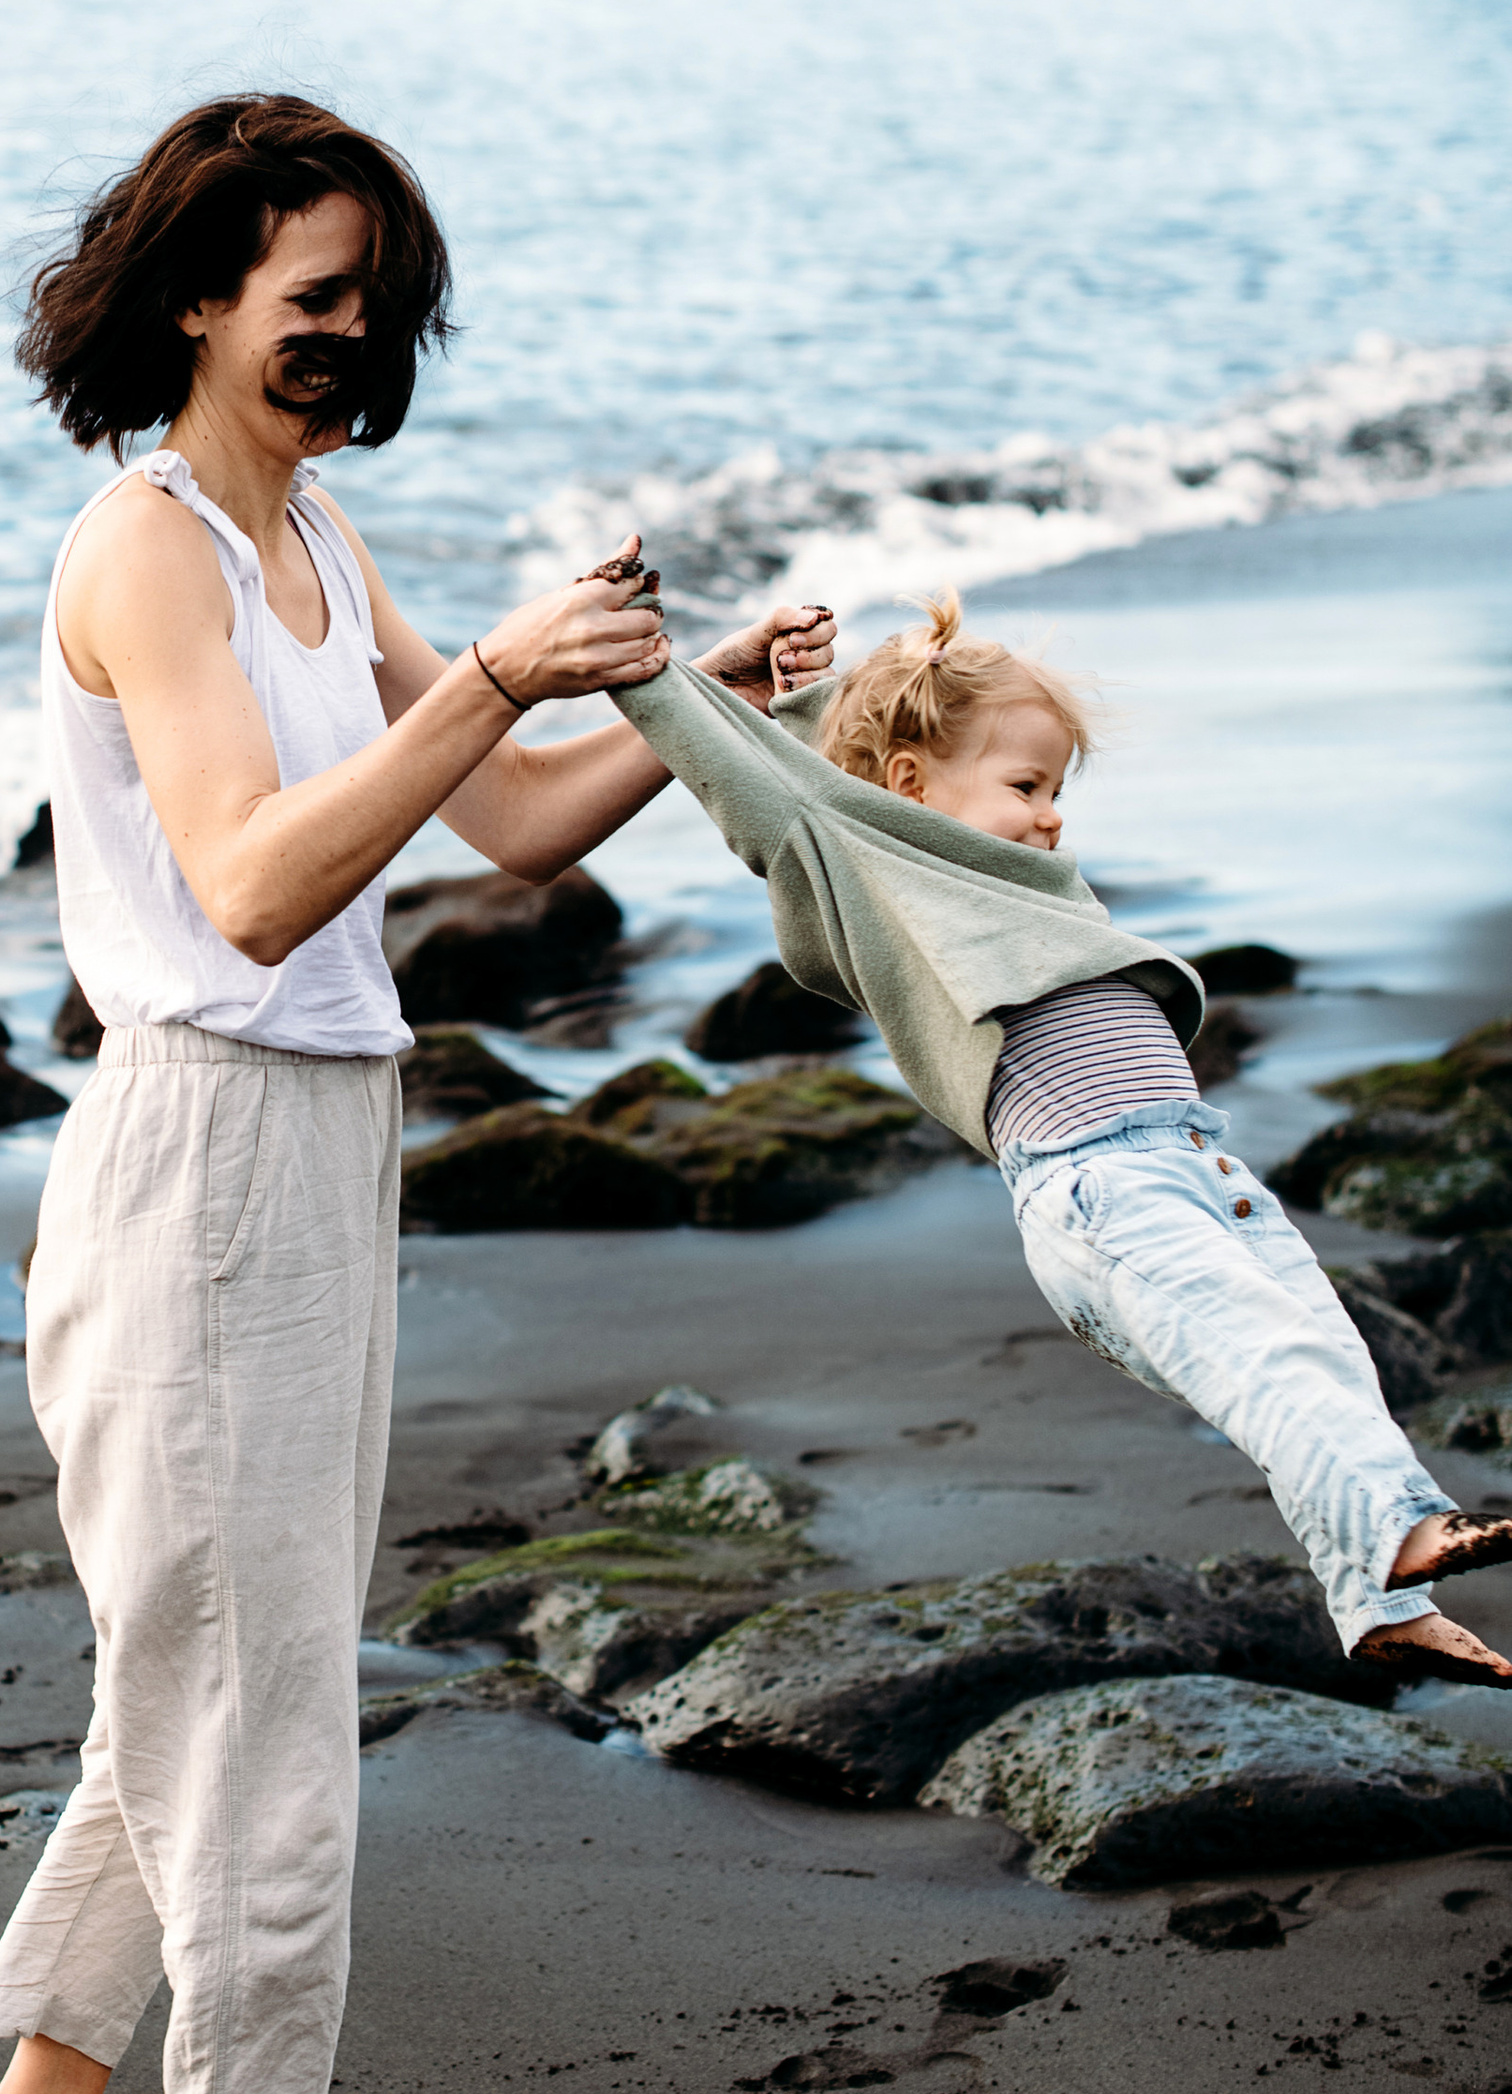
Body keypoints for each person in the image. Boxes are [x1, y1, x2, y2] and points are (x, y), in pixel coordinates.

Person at [0, 95, 834, 2094]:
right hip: (194, 1163)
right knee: (258, 1712)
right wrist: (492, 679)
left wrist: (689, 696)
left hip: (323, 1144)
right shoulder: (149, 544)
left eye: (373, 298)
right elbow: (246, 882)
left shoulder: (314, 538)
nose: (350, 333)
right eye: (311, 294)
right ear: (192, 299)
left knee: (231, 1673)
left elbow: (516, 824)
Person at [610, 583, 1509, 1682]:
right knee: (1266, 1358)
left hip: (1196, 1166)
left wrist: (813, 701)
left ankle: (1379, 1602)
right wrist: (640, 665)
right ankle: (1402, 1531)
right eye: (1026, 784)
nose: (1052, 813)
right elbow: (779, 800)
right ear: (908, 788)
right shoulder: (886, 877)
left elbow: (839, 765)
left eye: (1056, 788)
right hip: (1101, 1191)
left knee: (1322, 1363)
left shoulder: (1003, 880)